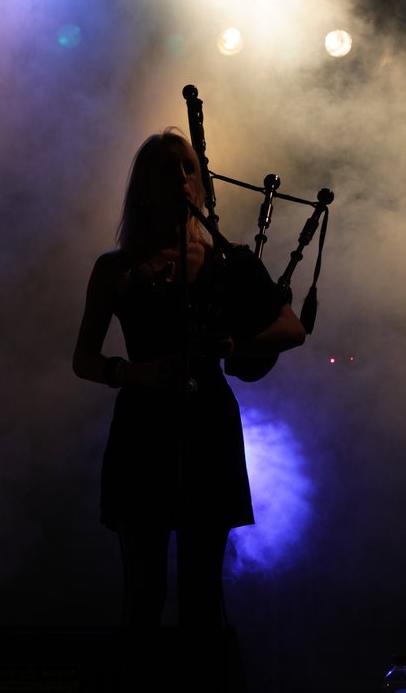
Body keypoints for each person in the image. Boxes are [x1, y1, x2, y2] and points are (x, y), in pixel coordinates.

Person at [72, 128, 306, 691]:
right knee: (143, 591)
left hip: (207, 426)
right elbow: (84, 358)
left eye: (188, 168)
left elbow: (292, 328)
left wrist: (236, 345)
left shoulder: (227, 260)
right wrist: (136, 373)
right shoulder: (116, 268)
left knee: (202, 592)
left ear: (200, 183)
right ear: (144, 187)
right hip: (142, 428)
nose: (181, 178)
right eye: (167, 169)